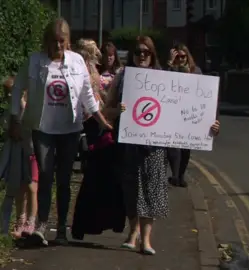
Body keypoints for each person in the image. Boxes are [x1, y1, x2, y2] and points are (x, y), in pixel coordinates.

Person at [9, 18, 113, 246]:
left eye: (62, 41)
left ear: (68, 41)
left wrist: (102, 121)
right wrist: (15, 118)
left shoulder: (77, 62)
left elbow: (87, 96)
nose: (57, 46)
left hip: (69, 129)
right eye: (53, 41)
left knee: (64, 180)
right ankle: (42, 227)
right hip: (42, 128)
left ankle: (62, 229)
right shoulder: (35, 61)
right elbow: (18, 88)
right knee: (45, 176)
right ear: (46, 41)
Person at [105, 36, 168, 255]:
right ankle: (133, 233)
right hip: (129, 142)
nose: (142, 56)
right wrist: (118, 111)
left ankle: (146, 240)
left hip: (154, 146)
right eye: (138, 52)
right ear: (132, 55)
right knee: (130, 189)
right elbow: (107, 109)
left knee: (151, 190)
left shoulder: (164, 78)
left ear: (153, 55)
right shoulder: (123, 76)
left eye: (146, 52)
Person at [71, 39, 125, 241]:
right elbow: (90, 102)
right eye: (89, 51)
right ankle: (90, 223)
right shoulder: (82, 70)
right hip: (91, 126)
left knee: (100, 175)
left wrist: (103, 118)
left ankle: (97, 222)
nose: (93, 55)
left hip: (99, 124)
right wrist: (102, 119)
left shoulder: (93, 70)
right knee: (94, 175)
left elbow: (96, 101)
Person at [166, 43, 220, 187]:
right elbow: (162, 81)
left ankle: (181, 176)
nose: (181, 59)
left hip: (189, 115)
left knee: (185, 147)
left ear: (187, 56)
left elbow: (204, 96)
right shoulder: (170, 69)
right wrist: (171, 64)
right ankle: (175, 175)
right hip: (172, 112)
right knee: (172, 147)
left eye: (183, 56)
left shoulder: (196, 71)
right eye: (177, 56)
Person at [0, 76, 39, 238]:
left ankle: (31, 222)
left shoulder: (30, 107)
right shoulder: (11, 110)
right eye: (7, 93)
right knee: (19, 188)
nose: (9, 96)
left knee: (31, 187)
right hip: (17, 151)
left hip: (31, 150)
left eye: (11, 92)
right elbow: (5, 127)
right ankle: (19, 220)